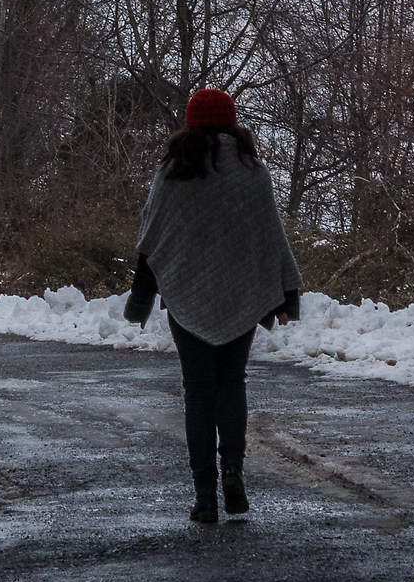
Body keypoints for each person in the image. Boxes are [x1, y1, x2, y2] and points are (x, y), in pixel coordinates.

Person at [124, 87, 303, 524]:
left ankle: (205, 494)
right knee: (232, 385)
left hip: (187, 298)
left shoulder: (171, 174)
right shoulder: (252, 172)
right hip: (241, 298)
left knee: (198, 392)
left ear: (189, 124)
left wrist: (140, 300)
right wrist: (287, 295)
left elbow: (152, 243)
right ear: (231, 122)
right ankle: (234, 475)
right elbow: (270, 239)